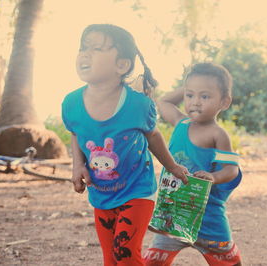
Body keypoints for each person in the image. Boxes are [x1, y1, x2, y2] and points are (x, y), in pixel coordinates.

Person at [61, 24, 189, 266]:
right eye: (83, 48)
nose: (85, 54)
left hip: (137, 189)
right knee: (110, 259)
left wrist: (171, 167)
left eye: (96, 49)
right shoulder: (71, 103)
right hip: (102, 192)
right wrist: (78, 165)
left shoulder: (138, 105)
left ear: (122, 65)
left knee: (126, 254)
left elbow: (153, 137)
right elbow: (76, 133)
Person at [144, 63, 242, 265]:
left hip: (208, 217)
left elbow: (232, 170)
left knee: (228, 262)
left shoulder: (218, 134)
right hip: (172, 213)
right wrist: (190, 86)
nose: (195, 102)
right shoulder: (180, 122)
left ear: (224, 101)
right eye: (190, 96)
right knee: (153, 262)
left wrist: (214, 177)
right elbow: (163, 102)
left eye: (204, 96)